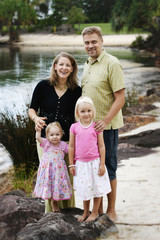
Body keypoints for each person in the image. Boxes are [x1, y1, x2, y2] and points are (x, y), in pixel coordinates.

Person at [81, 26, 125, 222]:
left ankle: (112, 210)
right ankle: (94, 210)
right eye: (87, 42)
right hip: (88, 130)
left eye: (93, 41)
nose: (90, 45)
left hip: (106, 128)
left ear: (101, 41)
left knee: (109, 167)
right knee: (93, 169)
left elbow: (121, 98)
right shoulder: (87, 64)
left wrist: (105, 120)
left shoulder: (112, 63)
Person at [28, 52, 82, 213]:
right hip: (44, 141)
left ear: (72, 69)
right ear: (55, 66)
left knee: (66, 178)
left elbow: (78, 117)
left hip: (67, 142)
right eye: (61, 64)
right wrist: (35, 119)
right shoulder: (43, 86)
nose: (64, 68)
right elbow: (32, 109)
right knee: (48, 178)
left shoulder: (76, 91)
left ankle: (69, 213)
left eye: (68, 65)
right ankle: (49, 214)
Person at [69, 96, 111, 223]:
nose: (86, 114)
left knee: (97, 187)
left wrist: (102, 164)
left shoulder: (96, 127)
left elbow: (102, 146)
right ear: (77, 113)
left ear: (93, 111)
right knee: (85, 188)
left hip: (95, 163)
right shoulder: (74, 127)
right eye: (82, 111)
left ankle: (95, 211)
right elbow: (71, 146)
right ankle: (85, 211)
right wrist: (71, 164)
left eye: (89, 111)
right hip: (81, 164)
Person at [34, 122, 72, 212]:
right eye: (51, 135)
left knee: (56, 187)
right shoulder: (46, 143)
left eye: (57, 134)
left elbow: (72, 151)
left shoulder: (63, 145)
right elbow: (37, 138)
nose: (54, 137)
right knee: (49, 186)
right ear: (47, 136)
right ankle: (53, 203)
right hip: (48, 171)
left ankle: (55, 202)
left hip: (58, 172)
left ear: (61, 135)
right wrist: (38, 131)